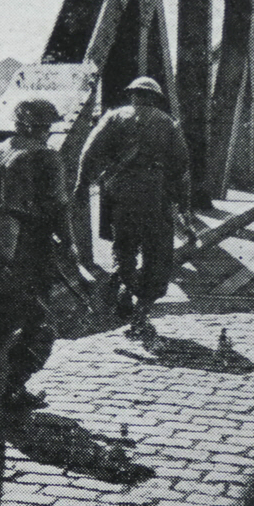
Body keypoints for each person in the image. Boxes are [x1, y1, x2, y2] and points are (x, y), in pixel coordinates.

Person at [0, 98, 74, 409]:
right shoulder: (46, 158)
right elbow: (59, 209)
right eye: (46, 126)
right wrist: (70, 246)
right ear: (37, 127)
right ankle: (14, 390)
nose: (48, 132)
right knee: (39, 319)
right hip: (23, 245)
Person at [73, 76, 192, 339]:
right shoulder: (166, 123)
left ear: (131, 95)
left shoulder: (113, 117)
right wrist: (183, 206)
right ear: (154, 97)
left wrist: (82, 185)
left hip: (120, 193)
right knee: (157, 253)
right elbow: (182, 167)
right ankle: (142, 309)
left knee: (123, 246)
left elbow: (89, 152)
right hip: (154, 194)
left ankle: (124, 282)